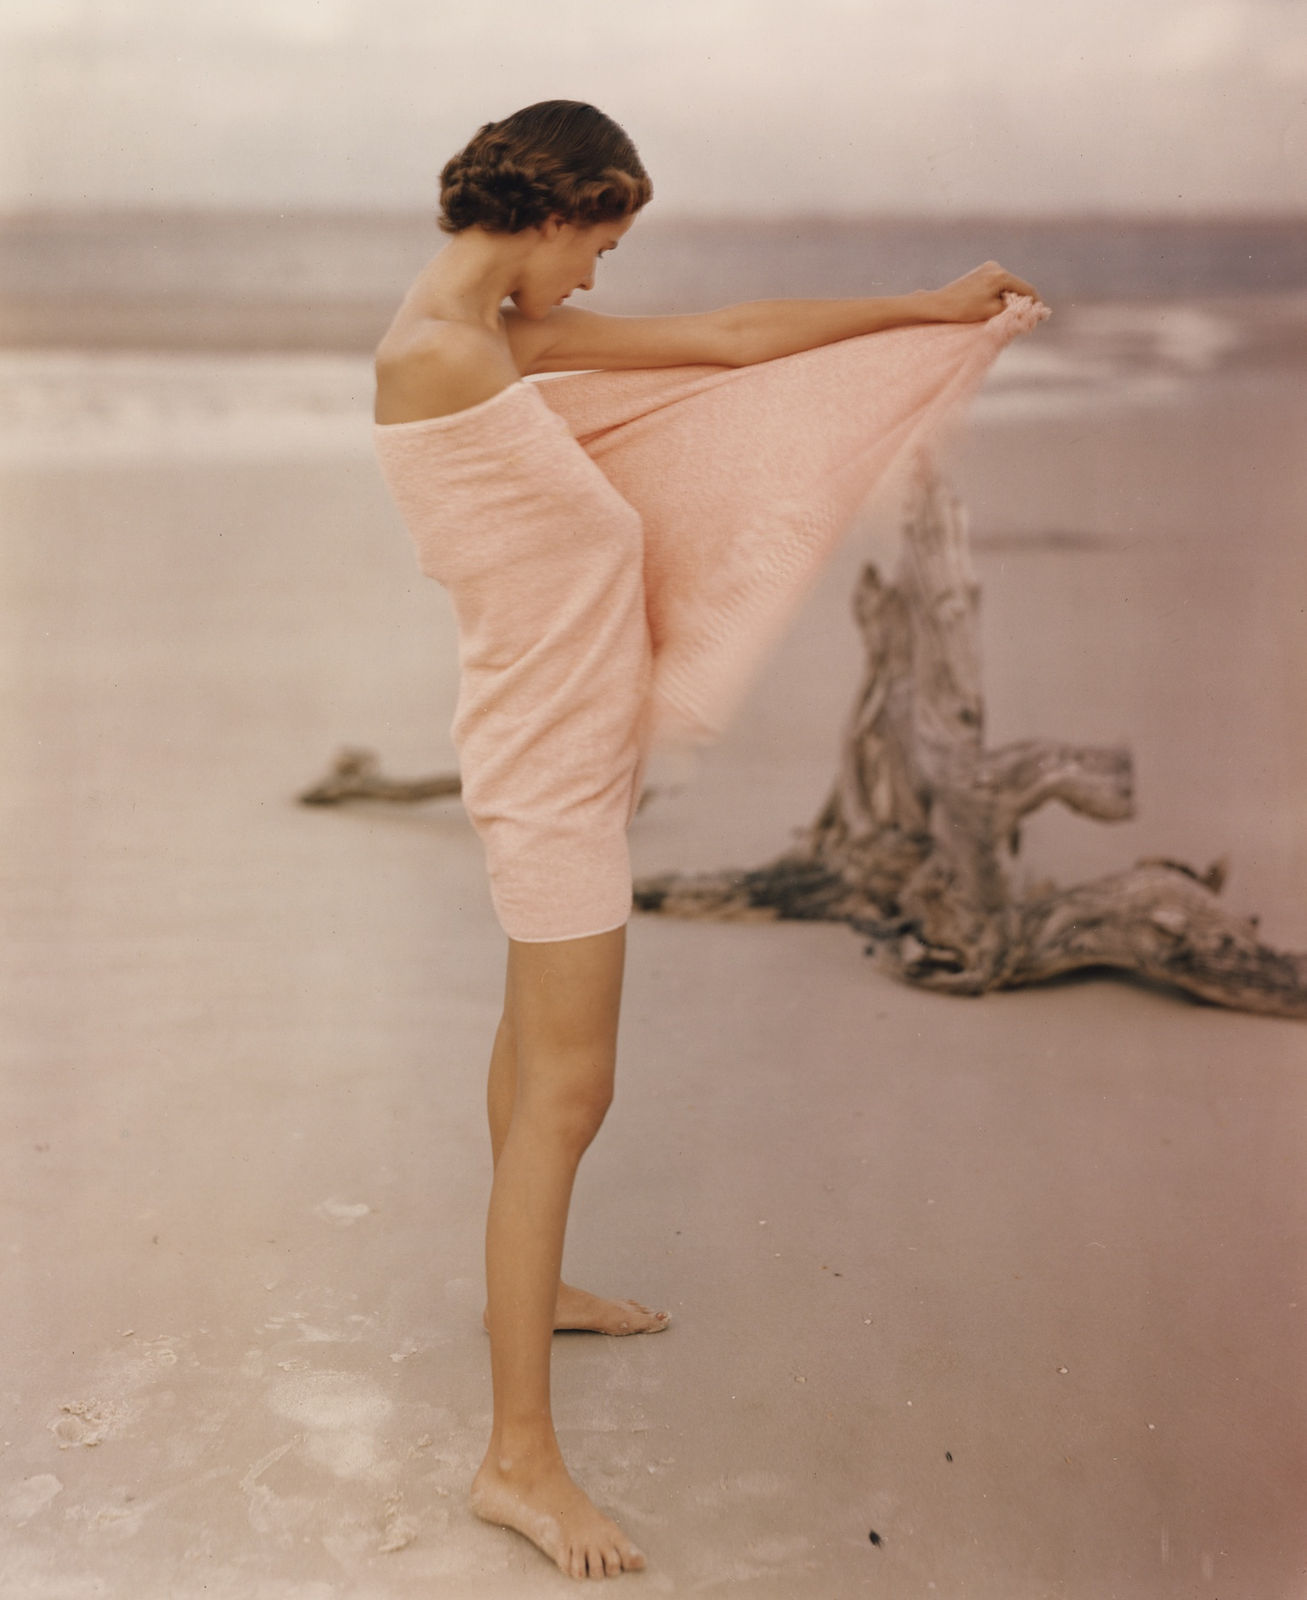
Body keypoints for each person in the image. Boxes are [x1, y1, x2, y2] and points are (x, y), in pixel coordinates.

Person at [373, 99, 1041, 1582]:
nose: (602, 278)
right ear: (558, 209)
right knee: (572, 1087)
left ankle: (527, 1292)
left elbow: (733, 342)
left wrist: (925, 311)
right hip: (545, 768)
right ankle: (516, 1463)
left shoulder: (491, 331)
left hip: (565, 743)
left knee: (530, 1061)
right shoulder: (449, 354)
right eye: (602, 243)